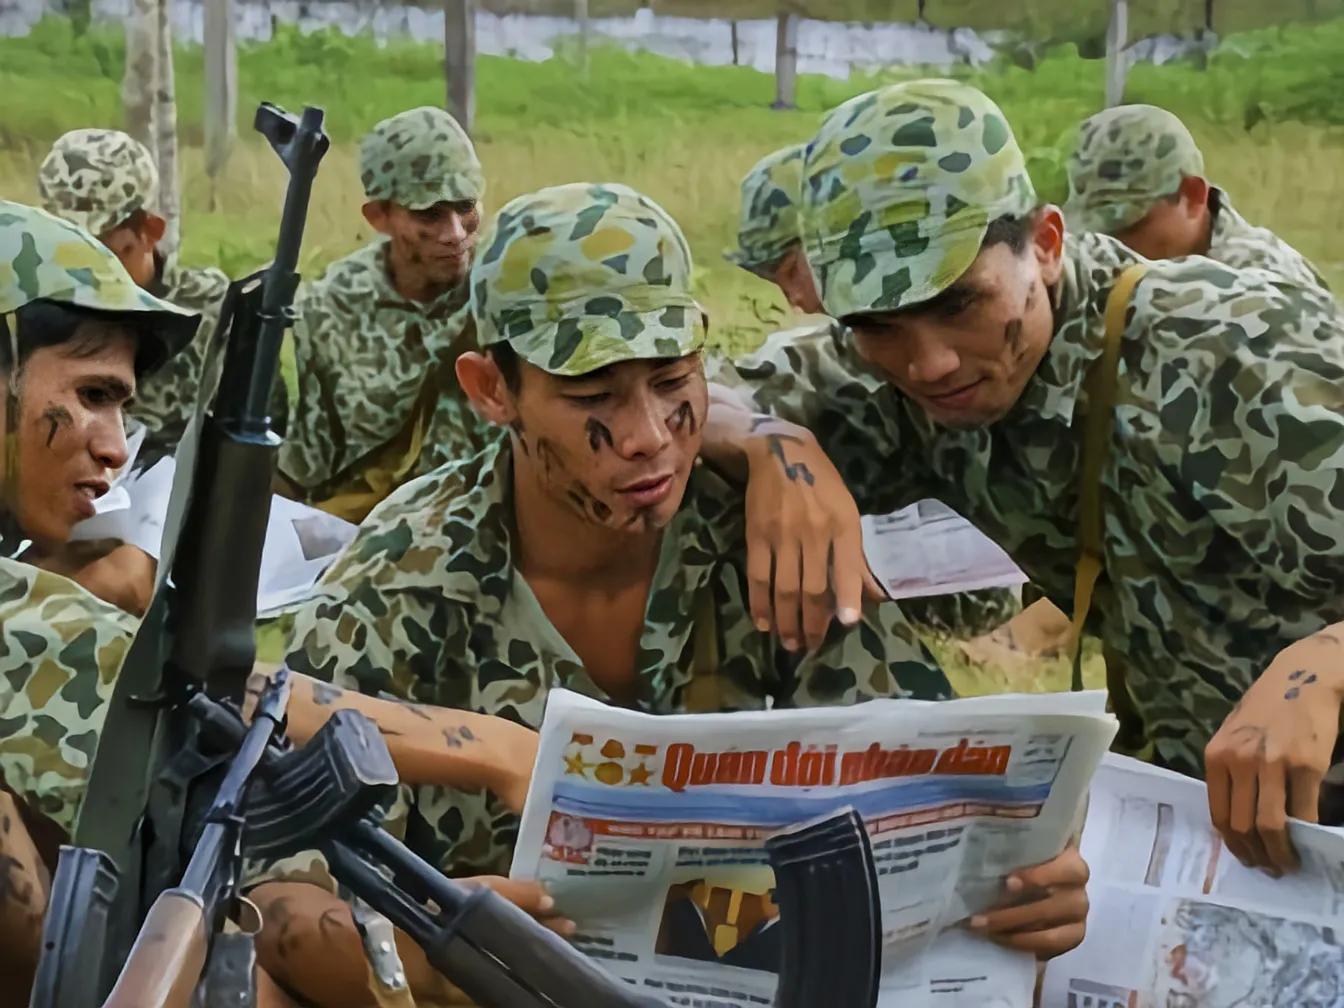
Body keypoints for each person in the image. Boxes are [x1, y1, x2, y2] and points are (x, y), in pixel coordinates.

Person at [262, 183, 1085, 1005]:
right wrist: (426, 958)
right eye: (592, 398)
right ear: (490, 390)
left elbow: (939, 796)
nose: (647, 437)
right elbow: (270, 899)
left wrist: (1025, 885)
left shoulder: (763, 540)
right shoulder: (408, 575)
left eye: (671, 381)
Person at [697, 80, 1344, 866]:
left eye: (961, 304)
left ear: (1045, 243)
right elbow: (683, 402)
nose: (929, 361)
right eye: (878, 325)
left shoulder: (1233, 348)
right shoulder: (880, 372)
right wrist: (772, 446)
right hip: (1221, 827)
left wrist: (1329, 665)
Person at [724, 144, 1026, 644]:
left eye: (796, 267)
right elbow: (702, 405)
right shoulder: (829, 364)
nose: (795, 298)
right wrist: (771, 445)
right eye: (771, 277)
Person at [35, 128, 233, 614]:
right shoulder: (37, 308)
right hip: (55, 507)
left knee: (115, 583)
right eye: (68, 251)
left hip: (171, 514)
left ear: (150, 230)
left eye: (105, 250)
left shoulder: (207, 309)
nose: (84, 274)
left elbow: (246, 441)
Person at [277, 106, 497, 522]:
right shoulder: (330, 311)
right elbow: (304, 464)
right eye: (429, 214)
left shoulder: (511, 287)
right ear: (379, 217)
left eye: (465, 206)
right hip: (373, 543)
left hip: (497, 531)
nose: (454, 234)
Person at [1064, 104, 1330, 292]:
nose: (1109, 247)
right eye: (1093, 230)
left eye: (1130, 226)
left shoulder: (1264, 286)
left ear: (1192, 197)